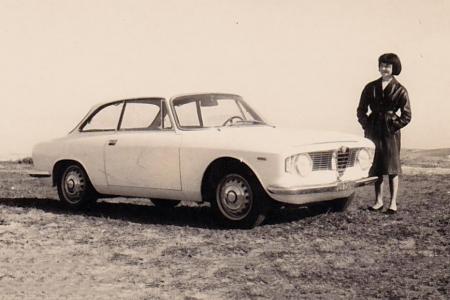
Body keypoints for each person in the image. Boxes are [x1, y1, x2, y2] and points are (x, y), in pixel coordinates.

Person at [357, 53, 412, 214]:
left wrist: (393, 125)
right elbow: (361, 109)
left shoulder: (401, 89)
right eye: (382, 65)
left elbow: (407, 115)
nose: (384, 68)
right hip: (373, 129)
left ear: (394, 68)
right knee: (376, 166)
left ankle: (393, 203)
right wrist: (366, 124)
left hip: (390, 132)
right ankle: (378, 201)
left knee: (392, 167)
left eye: (388, 66)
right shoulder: (370, 87)